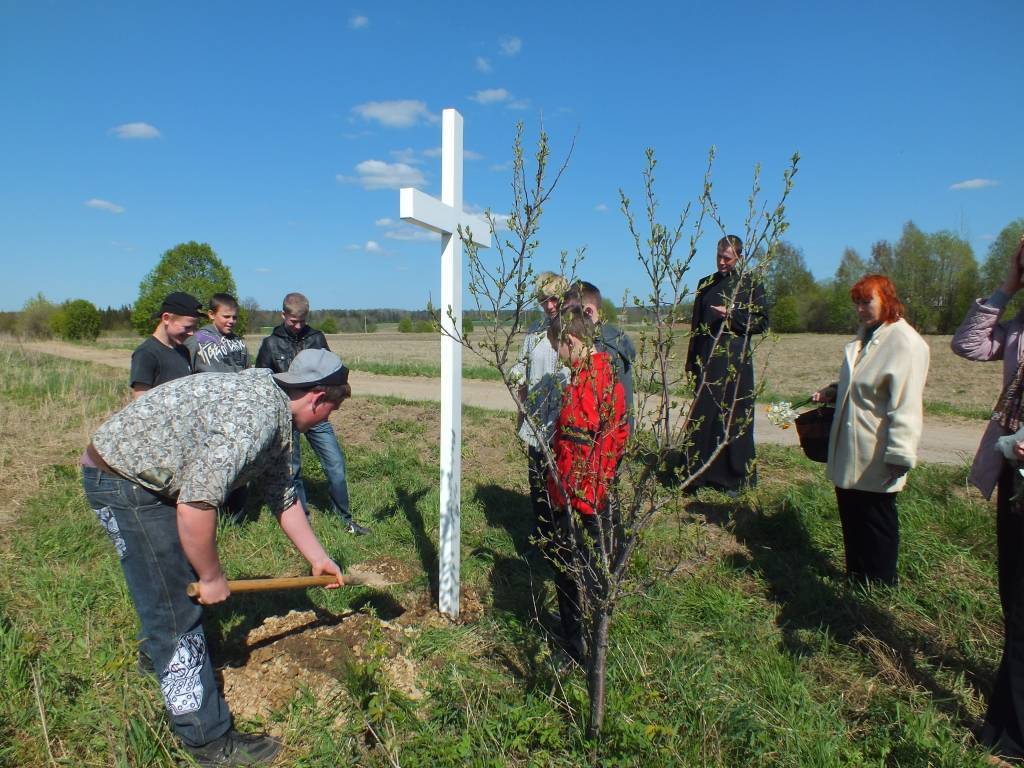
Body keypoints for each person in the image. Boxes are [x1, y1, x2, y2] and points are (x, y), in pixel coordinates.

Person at [80, 349, 349, 766]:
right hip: (124, 480)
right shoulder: (256, 419)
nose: (327, 420)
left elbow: (282, 495)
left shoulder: (278, 410)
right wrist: (211, 576)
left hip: (152, 475)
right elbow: (196, 505)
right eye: (331, 410)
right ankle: (207, 741)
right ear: (316, 398)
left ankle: (157, 657)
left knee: (168, 582)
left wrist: (319, 557)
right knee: (174, 608)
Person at [951, 234, 1024, 766]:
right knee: (1014, 599)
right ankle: (1008, 709)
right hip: (1015, 474)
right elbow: (968, 345)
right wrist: (1005, 288)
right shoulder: (1020, 327)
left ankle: (1011, 734)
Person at [812, 274, 929, 586]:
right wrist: (834, 390)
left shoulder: (904, 342)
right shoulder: (865, 336)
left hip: (877, 449)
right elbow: (863, 381)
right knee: (852, 513)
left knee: (876, 517)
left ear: (887, 301)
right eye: (858, 303)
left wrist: (899, 454)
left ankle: (880, 585)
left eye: (868, 302)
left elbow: (906, 404)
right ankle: (856, 577)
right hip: (851, 446)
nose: (861, 309)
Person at [545, 305, 630, 660]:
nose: (558, 358)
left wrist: (582, 489)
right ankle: (577, 636)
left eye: (558, 349)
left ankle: (584, 642)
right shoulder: (584, 377)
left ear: (571, 340)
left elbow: (609, 438)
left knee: (583, 568)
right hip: (576, 488)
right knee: (576, 565)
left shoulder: (598, 381)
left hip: (583, 491)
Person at [255, 292, 368, 535]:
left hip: (316, 414)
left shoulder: (317, 338)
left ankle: (345, 520)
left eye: (302, 321)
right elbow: (263, 380)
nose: (297, 326)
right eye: (292, 321)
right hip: (290, 416)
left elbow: (331, 370)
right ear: (283, 315)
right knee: (292, 470)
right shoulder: (270, 344)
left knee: (335, 464)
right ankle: (302, 522)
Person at [684, 235, 769, 494]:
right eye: (719, 256)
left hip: (736, 364)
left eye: (727, 258)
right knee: (703, 418)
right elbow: (697, 327)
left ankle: (734, 478)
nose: (722, 262)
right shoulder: (705, 285)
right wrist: (692, 364)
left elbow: (761, 323)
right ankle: (695, 475)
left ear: (739, 258)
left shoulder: (751, 285)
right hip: (708, 360)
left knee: (735, 417)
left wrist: (733, 315)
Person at [509, 272, 570, 549]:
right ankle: (543, 534)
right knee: (537, 481)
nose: (548, 306)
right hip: (536, 419)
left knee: (561, 481)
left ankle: (564, 535)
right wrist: (516, 374)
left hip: (563, 421)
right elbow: (523, 364)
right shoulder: (534, 332)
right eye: (543, 300)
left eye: (553, 299)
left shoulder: (574, 330)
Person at [568, 280, 636, 429]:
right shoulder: (616, 336)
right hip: (621, 436)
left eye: (571, 313)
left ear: (588, 312)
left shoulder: (599, 348)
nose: (567, 320)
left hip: (607, 441)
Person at [130, 291, 204, 398]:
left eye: (194, 328)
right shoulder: (146, 354)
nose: (192, 333)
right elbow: (141, 402)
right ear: (166, 318)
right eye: (187, 327)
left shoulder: (183, 350)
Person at [186, 293, 249, 373]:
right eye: (226, 317)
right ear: (211, 314)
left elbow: (247, 370)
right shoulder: (196, 341)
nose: (231, 321)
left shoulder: (238, 342)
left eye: (234, 317)